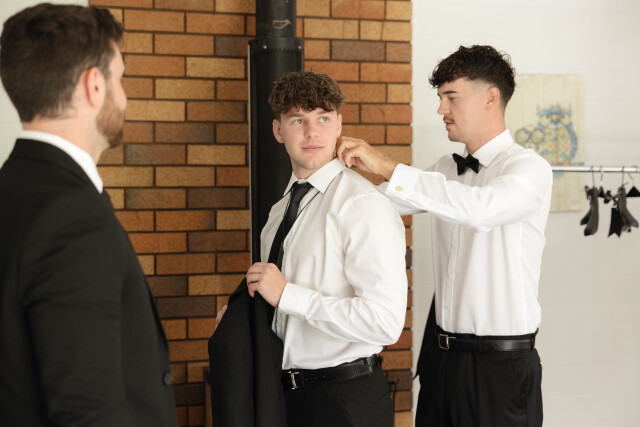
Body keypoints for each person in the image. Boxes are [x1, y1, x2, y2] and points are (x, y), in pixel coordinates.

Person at [337, 45, 552, 427]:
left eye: (451, 97)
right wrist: (324, 171)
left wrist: (385, 164)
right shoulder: (444, 171)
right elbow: (378, 206)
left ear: (490, 97)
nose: (441, 109)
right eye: (440, 98)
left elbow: (478, 210)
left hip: (500, 369)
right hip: (441, 360)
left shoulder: (529, 168)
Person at [0, 4, 177, 426]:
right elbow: (88, 411)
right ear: (94, 85)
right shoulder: (73, 219)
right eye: (119, 78)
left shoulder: (11, 189)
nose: (124, 97)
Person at [215, 71, 408, 427]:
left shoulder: (362, 205)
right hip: (288, 398)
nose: (312, 132)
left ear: (339, 125)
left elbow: (384, 322)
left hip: (346, 403)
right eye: (298, 120)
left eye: (322, 118)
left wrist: (288, 295)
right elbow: (283, 310)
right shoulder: (278, 213)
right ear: (278, 131)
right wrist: (244, 321)